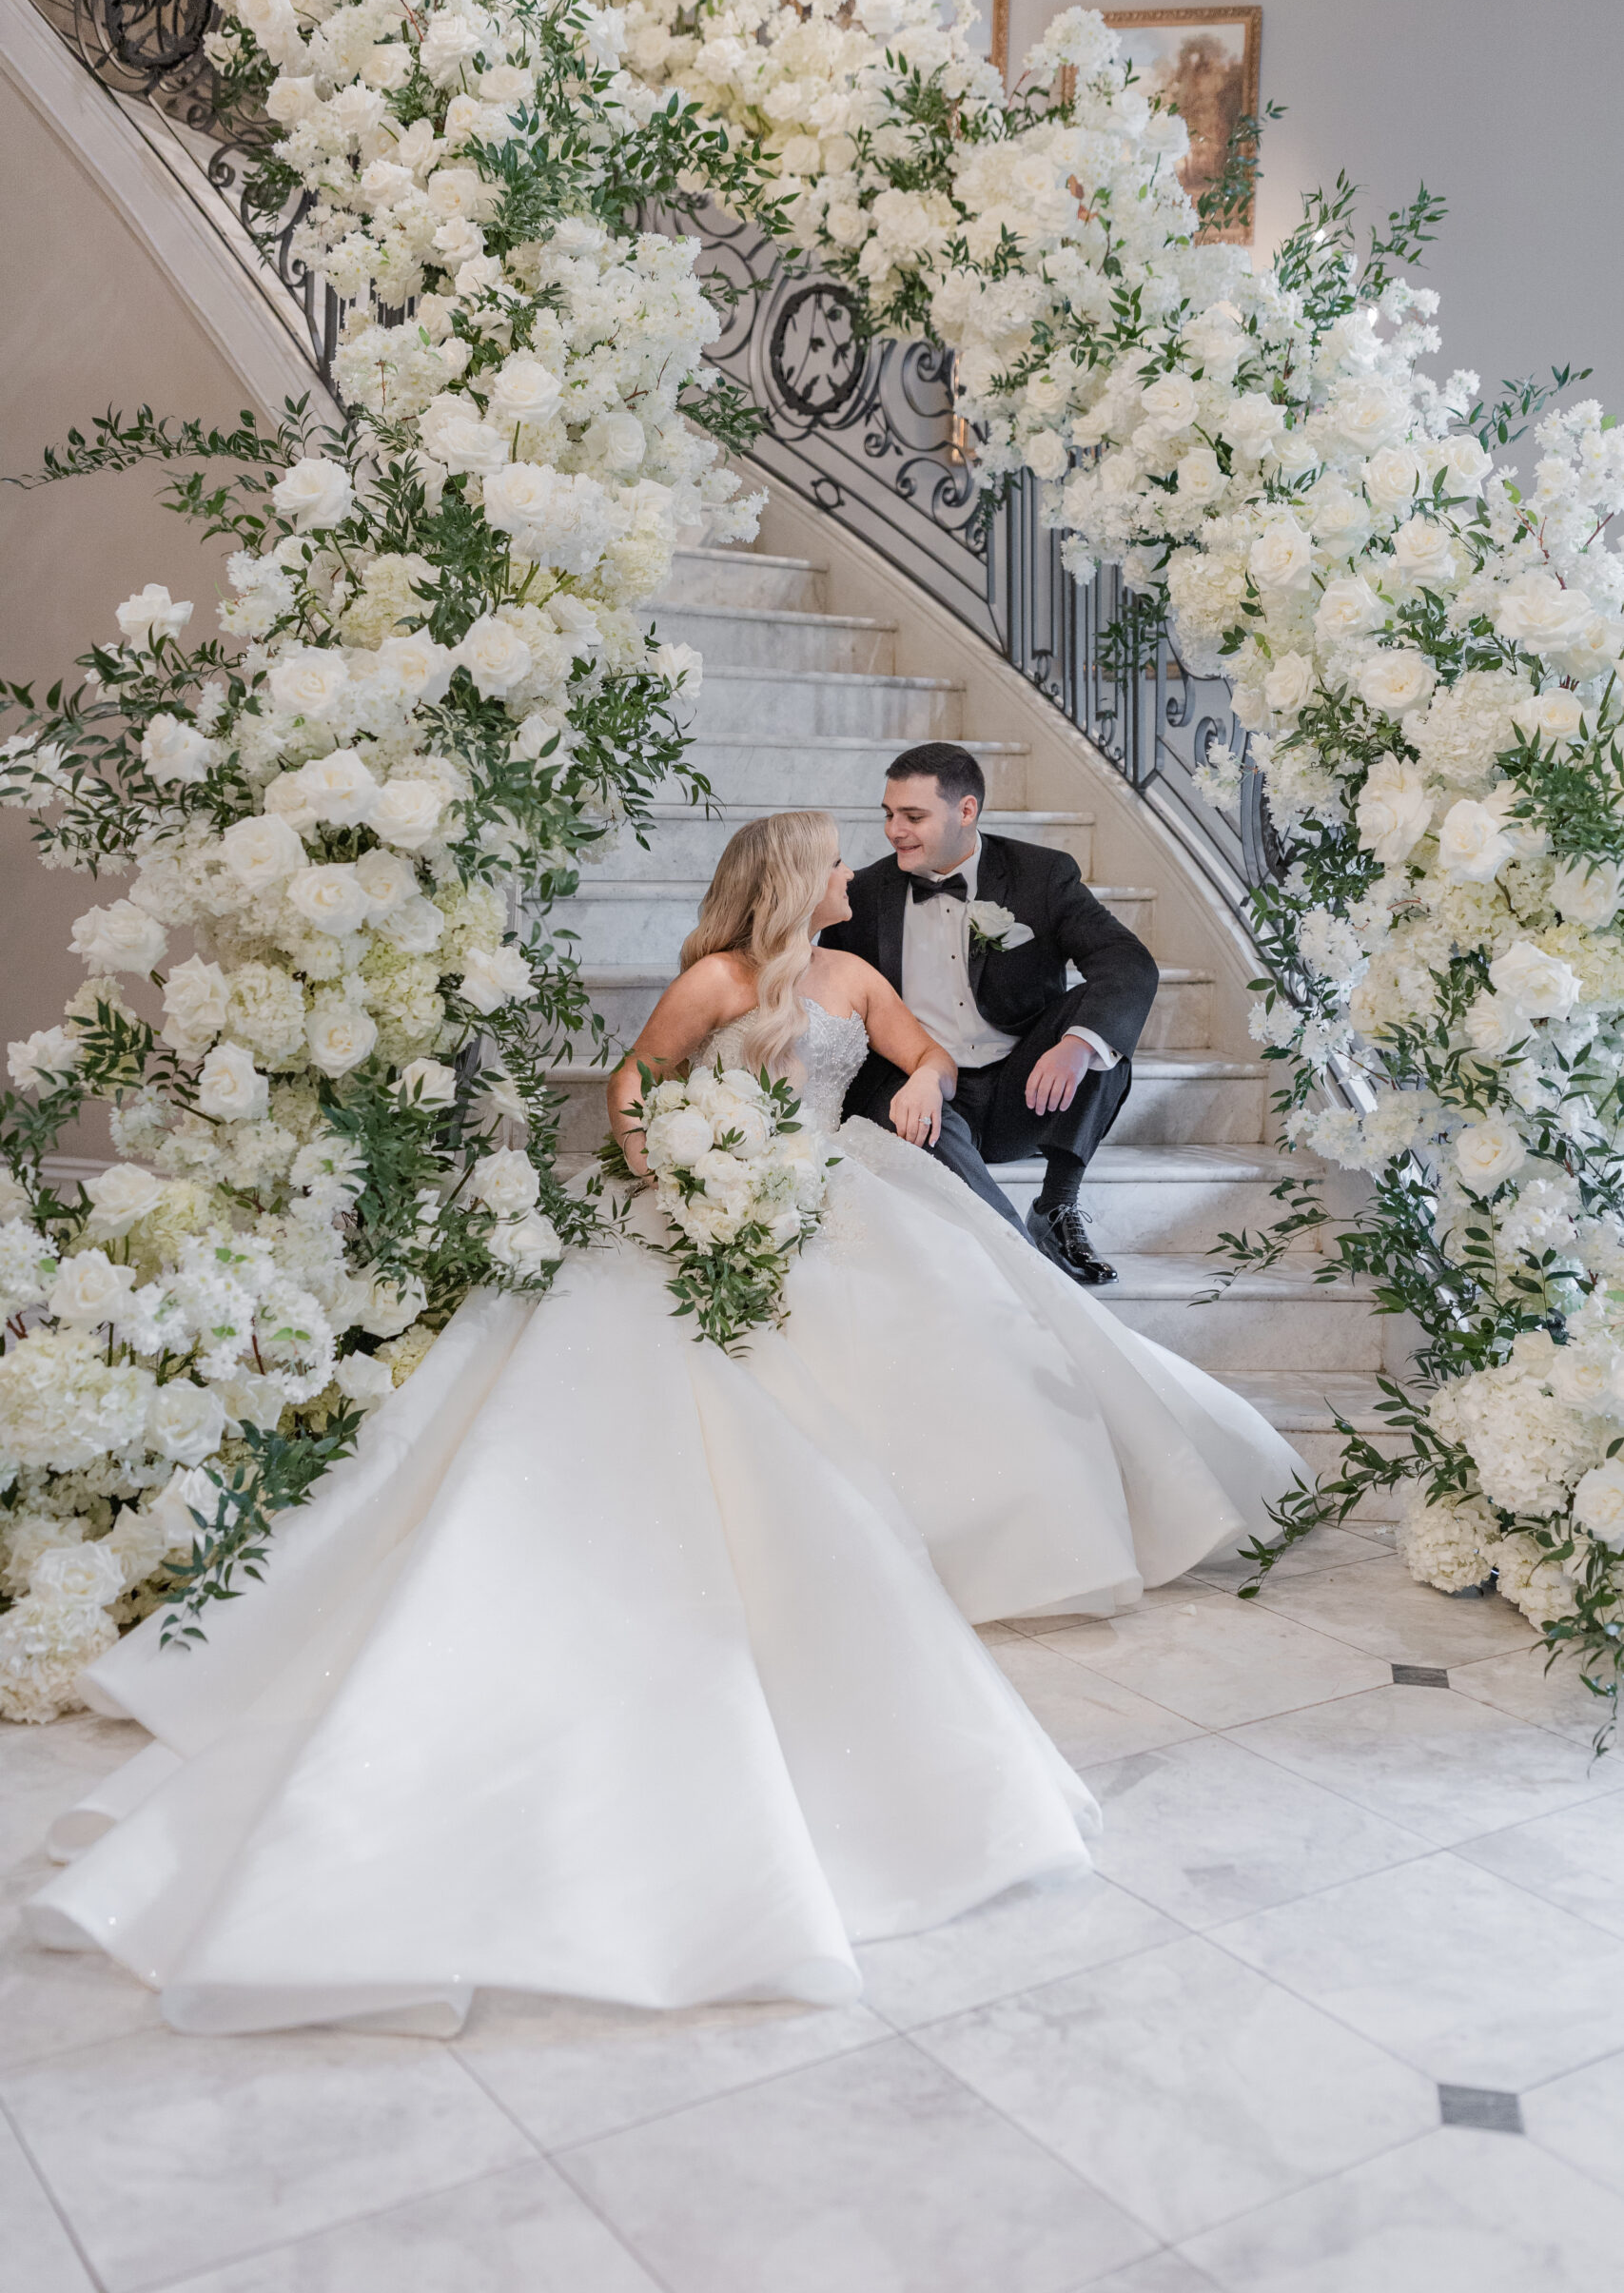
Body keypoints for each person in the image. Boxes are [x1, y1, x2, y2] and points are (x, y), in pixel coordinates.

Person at [28, 813, 1302, 2037]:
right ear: (785, 877)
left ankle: (968, 1542)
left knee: (958, 1325)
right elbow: (637, 1084)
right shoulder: (715, 981)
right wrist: (670, 1168)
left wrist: (916, 1087)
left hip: (827, 1186)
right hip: (716, 1200)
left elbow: (923, 1052)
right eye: (827, 865)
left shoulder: (851, 976)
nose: (848, 879)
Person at [820, 742, 1159, 1285]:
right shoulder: (866, 894)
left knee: (1100, 1033)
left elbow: (1128, 962)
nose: (894, 830)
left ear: (967, 811)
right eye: (888, 815)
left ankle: (1056, 1206)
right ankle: (1017, 1254)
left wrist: (1075, 1047)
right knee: (894, 1084)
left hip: (1020, 1091)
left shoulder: (1040, 875)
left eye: (913, 816)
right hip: (917, 1088)